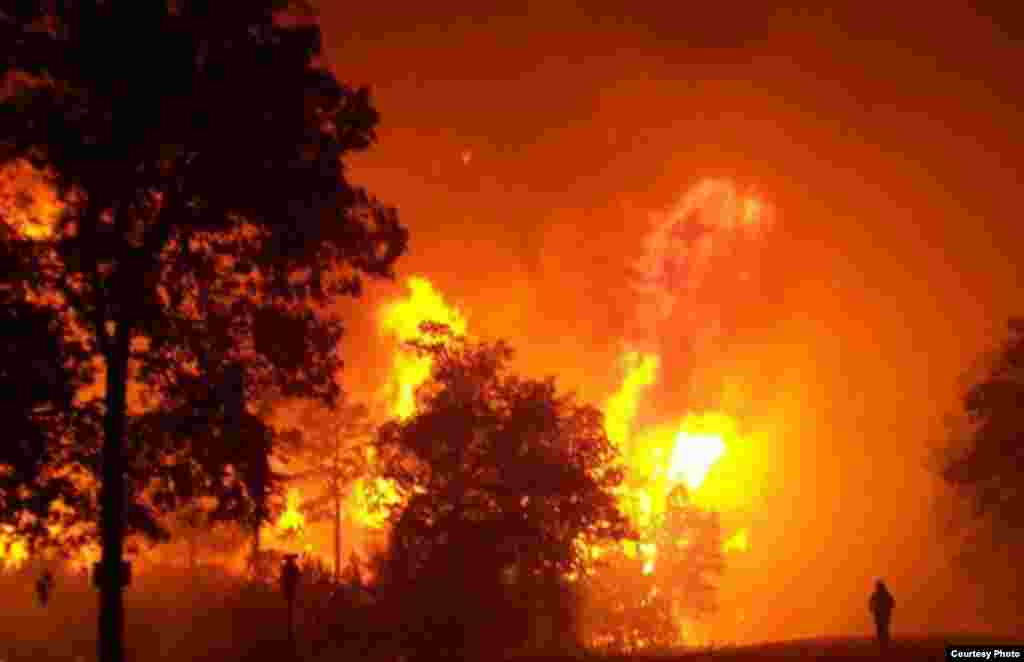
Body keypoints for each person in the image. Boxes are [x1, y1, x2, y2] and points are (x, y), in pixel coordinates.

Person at [869, 579, 895, 652]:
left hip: (883, 614)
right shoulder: (879, 594)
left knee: (883, 628)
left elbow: (892, 603)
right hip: (880, 614)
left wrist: (872, 608)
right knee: (881, 628)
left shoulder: (884, 594)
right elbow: (871, 602)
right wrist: (872, 608)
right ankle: (882, 642)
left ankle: (884, 642)